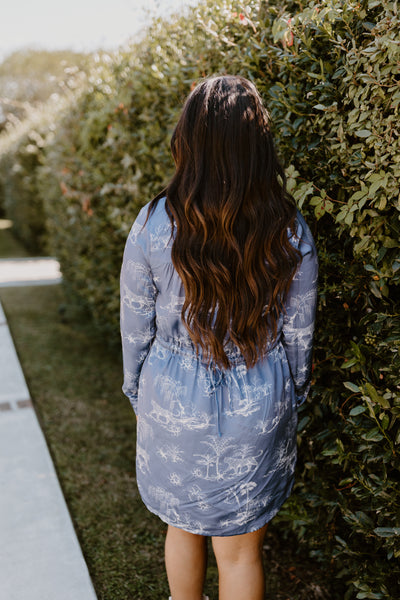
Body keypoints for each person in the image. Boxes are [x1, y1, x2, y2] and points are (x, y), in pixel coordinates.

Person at [120, 75, 318, 600]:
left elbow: (135, 324)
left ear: (189, 139)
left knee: (181, 525)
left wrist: (138, 390)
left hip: (171, 394)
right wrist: (292, 393)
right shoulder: (289, 226)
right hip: (260, 400)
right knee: (241, 552)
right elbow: (300, 331)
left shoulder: (153, 222)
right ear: (258, 144)